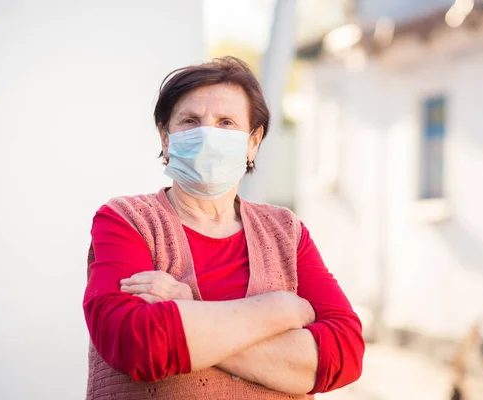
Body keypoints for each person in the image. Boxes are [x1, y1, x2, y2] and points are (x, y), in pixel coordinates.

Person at [83, 56, 364, 400]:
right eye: (190, 121)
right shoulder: (128, 221)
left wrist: (189, 307)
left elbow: (344, 356)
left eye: (226, 122)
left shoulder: (286, 232)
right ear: (166, 138)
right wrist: (279, 310)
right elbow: (137, 346)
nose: (207, 136)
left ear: (252, 141)